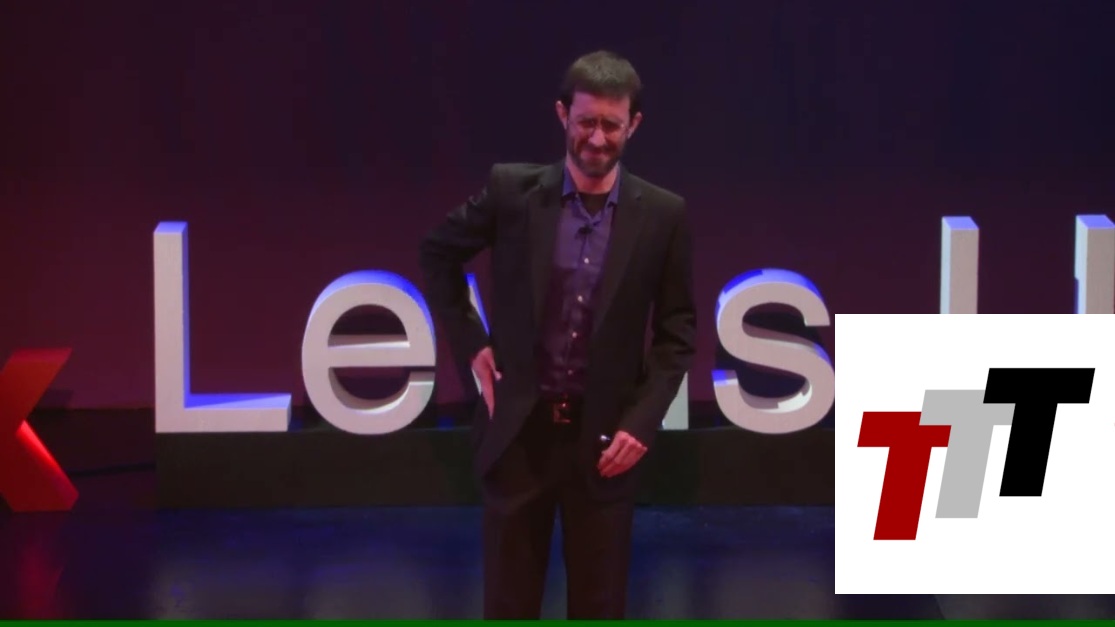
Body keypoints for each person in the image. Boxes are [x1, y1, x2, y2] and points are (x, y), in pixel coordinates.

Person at [418, 50, 696, 620]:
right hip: (518, 438)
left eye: (611, 125)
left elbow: (677, 331)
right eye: (586, 121)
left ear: (634, 125)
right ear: (563, 114)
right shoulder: (511, 192)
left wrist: (642, 422)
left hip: (604, 449)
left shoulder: (663, 215)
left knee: (600, 608)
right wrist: (473, 344)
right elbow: (437, 254)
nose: (597, 138)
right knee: (509, 607)